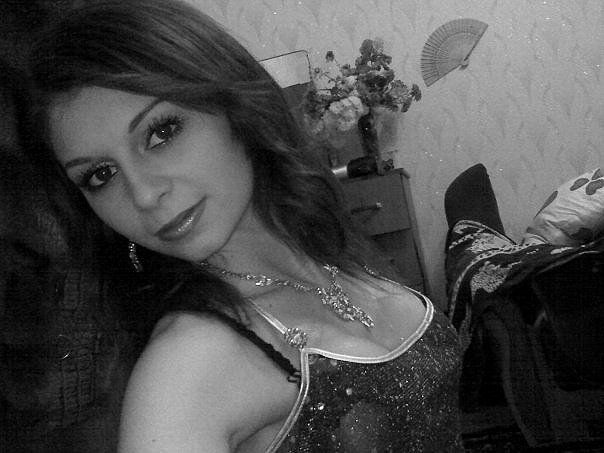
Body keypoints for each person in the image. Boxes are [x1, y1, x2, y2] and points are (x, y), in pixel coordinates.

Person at [27, 0, 463, 451]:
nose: (142, 194)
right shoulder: (187, 367)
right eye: (100, 175)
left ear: (234, 105)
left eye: (161, 133)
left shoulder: (324, 254)